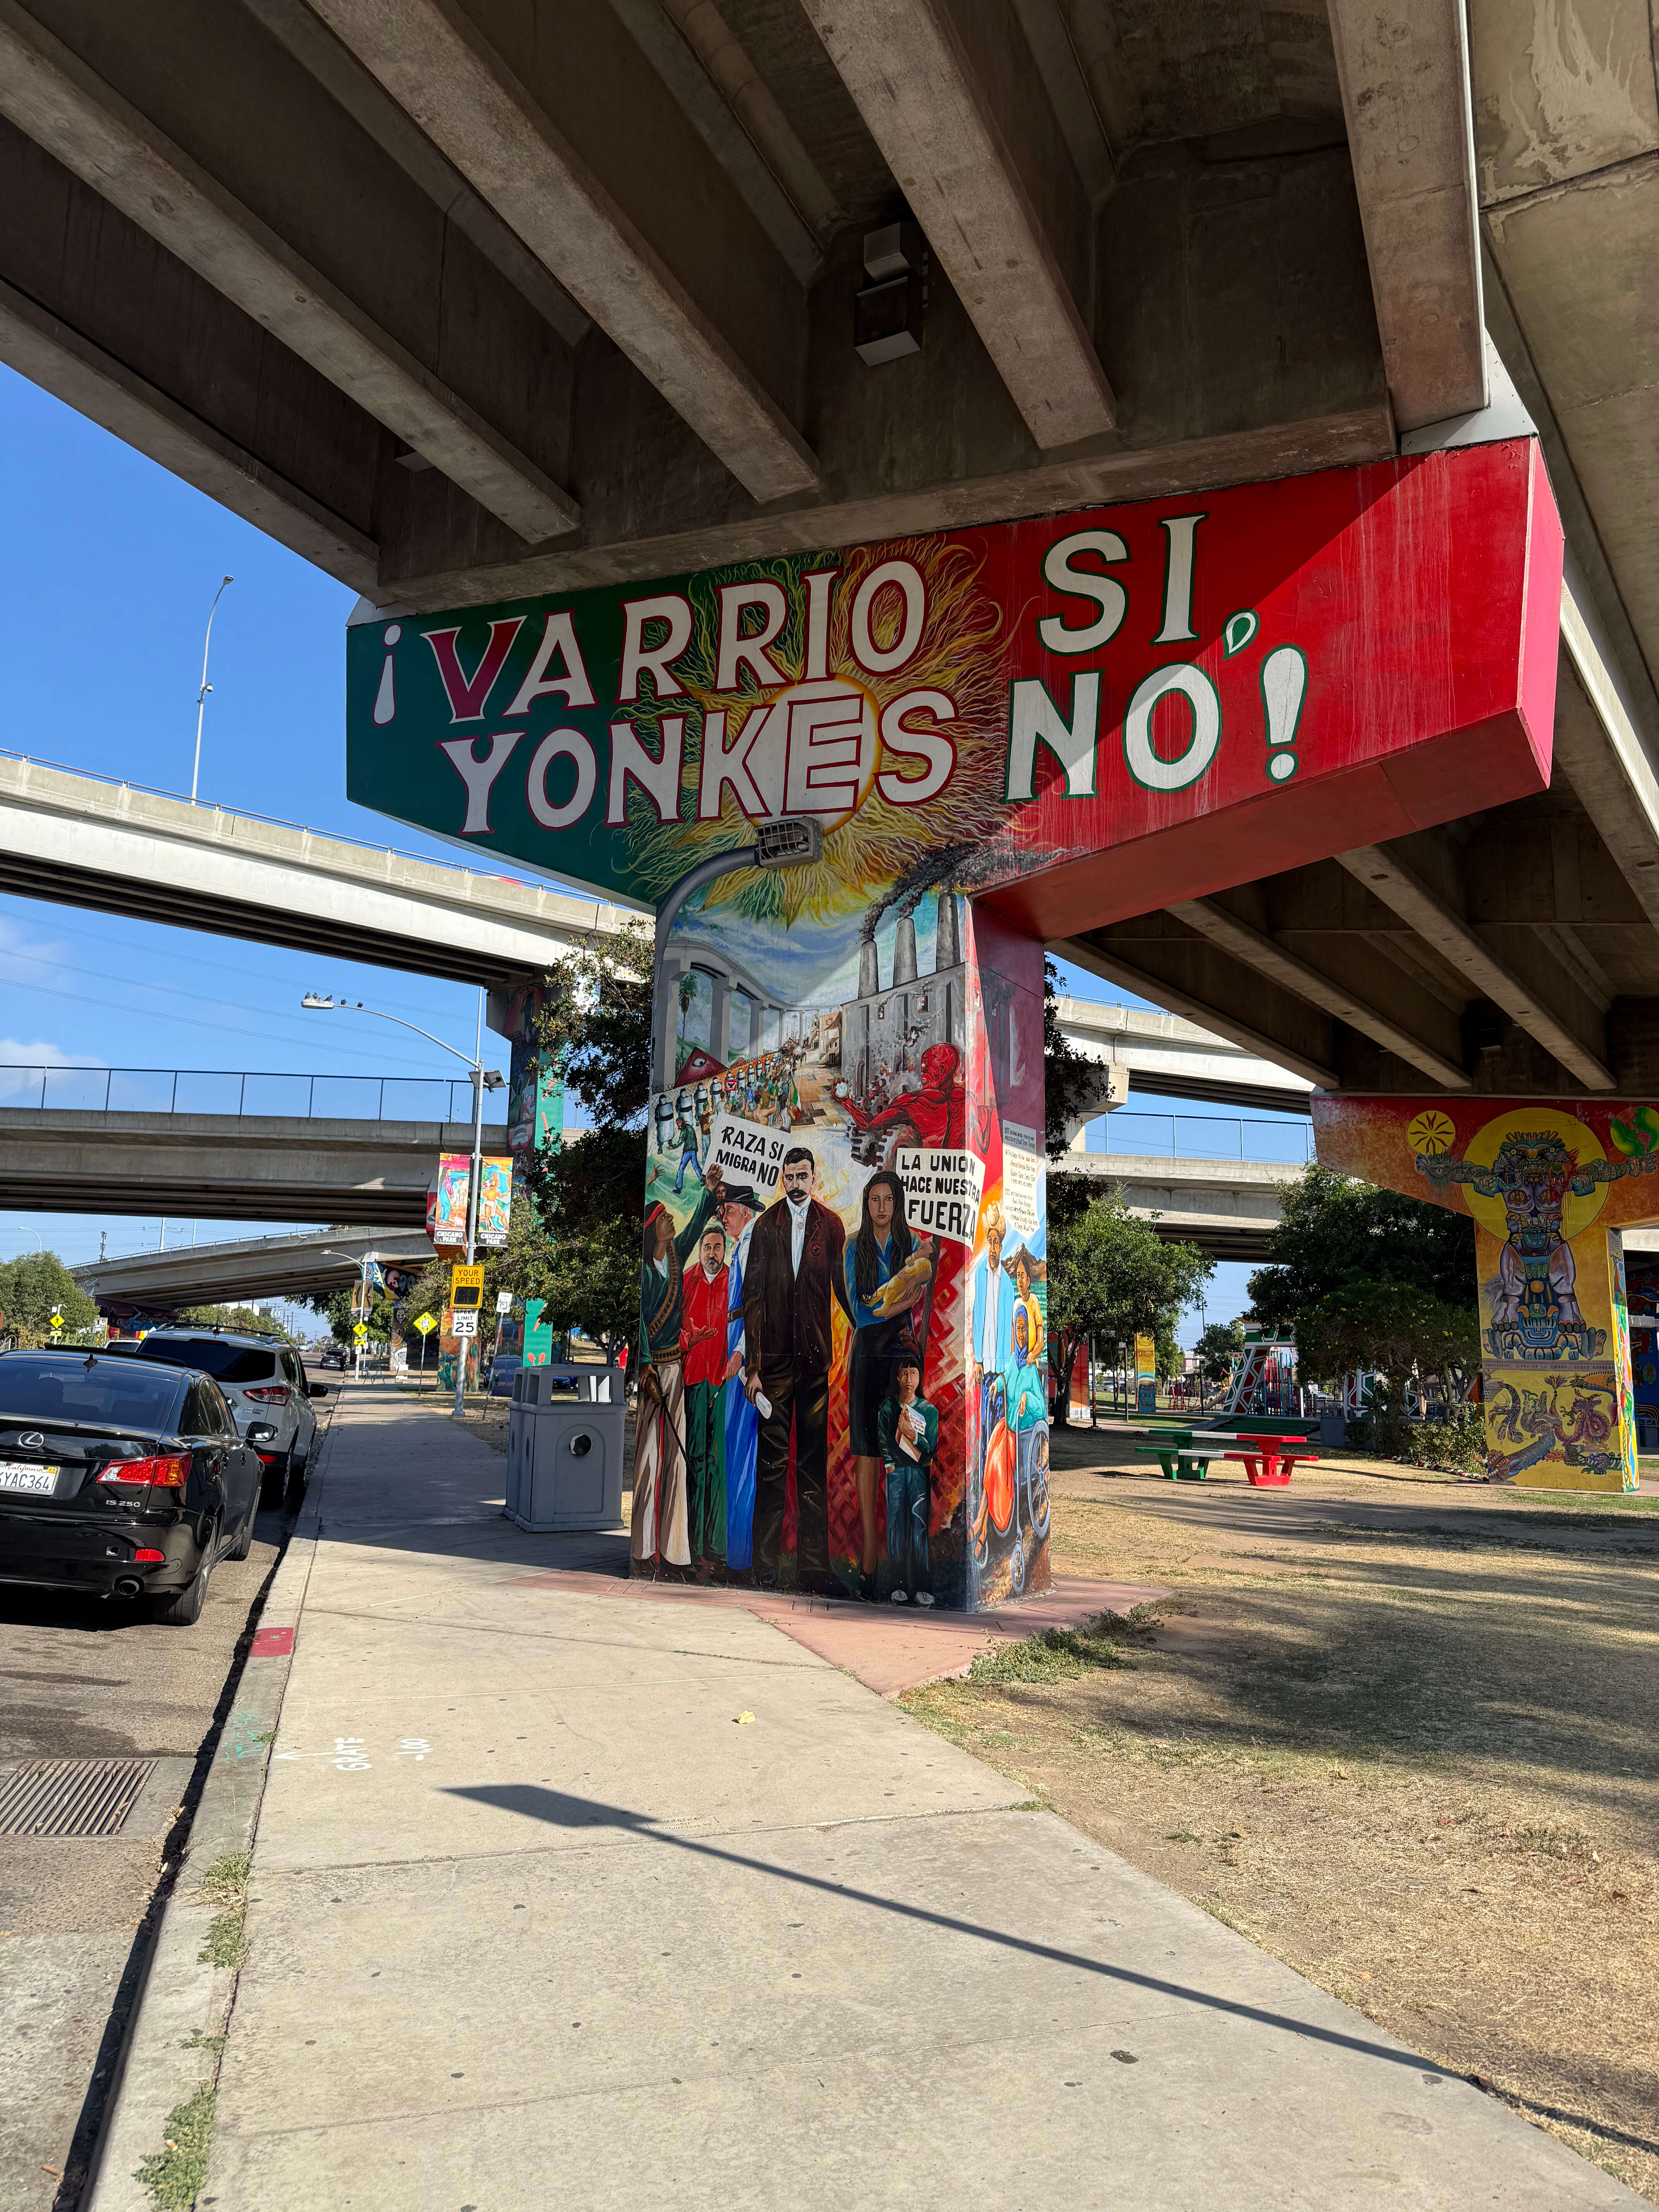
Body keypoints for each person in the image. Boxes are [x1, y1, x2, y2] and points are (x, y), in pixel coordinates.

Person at [742, 1145, 852, 1592]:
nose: (797, 1183)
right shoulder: (765, 1227)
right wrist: (753, 1368)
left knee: (811, 1466)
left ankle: (813, 1568)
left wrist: (868, 1325)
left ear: (814, 1177)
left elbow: (843, 1287)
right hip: (772, 1369)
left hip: (814, 1365)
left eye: (804, 1175)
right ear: (783, 1179)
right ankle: (765, 1566)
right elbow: (753, 1300)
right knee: (771, 1467)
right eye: (790, 1177)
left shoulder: (832, 1225)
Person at [844, 1169, 932, 1600]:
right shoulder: (852, 1248)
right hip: (866, 1353)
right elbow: (863, 1313)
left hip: (901, 1353)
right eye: (874, 1200)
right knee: (865, 1450)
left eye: (888, 1200)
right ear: (867, 1204)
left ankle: (903, 1556)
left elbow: (922, 1279)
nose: (881, 1208)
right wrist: (903, 1299)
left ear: (897, 1205)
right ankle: (870, 1554)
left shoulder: (912, 1246)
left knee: (904, 1451)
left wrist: (896, 1299)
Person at [633, 1171, 721, 1568]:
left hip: (676, 1367)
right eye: (666, 1218)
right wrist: (646, 1365)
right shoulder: (647, 1274)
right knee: (650, 1458)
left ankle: (673, 1549)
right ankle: (644, 1548)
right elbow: (640, 1321)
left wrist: (707, 1192)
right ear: (655, 1230)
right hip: (653, 1373)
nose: (672, 1221)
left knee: (677, 1460)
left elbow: (697, 1226)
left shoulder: (673, 1255)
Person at [716, 1184, 763, 1570]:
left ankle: (740, 1555)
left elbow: (756, 1306)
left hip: (743, 1352)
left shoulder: (750, 1247)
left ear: (745, 1213)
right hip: (733, 1343)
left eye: (729, 1210)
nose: (724, 1217)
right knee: (732, 1451)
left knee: (742, 1454)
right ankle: (734, 1551)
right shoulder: (740, 1245)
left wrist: (741, 1352)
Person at [680, 1222, 730, 1569]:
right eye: (708, 1247)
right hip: (694, 1380)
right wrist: (689, 1341)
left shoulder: (734, 1281)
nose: (713, 1254)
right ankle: (693, 1542)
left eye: (718, 1247)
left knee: (718, 1464)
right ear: (700, 1250)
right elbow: (673, 1330)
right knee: (695, 1461)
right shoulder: (687, 1281)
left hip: (724, 1382)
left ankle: (716, 1544)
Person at [878, 1339, 936, 1606]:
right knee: (895, 1528)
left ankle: (922, 1585)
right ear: (897, 1377)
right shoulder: (888, 1409)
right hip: (897, 1475)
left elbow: (930, 1449)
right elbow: (883, 1439)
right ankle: (897, 1584)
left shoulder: (928, 1412)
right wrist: (889, 1464)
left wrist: (914, 1436)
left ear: (920, 1377)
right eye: (904, 1373)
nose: (909, 1379)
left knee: (918, 1528)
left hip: (919, 1474)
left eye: (914, 1373)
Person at [843, 1040, 966, 1159]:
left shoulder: (917, 1102)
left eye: (926, 1065)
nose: (922, 1070)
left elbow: (869, 1124)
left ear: (942, 1070)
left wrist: (846, 1102)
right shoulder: (967, 1103)